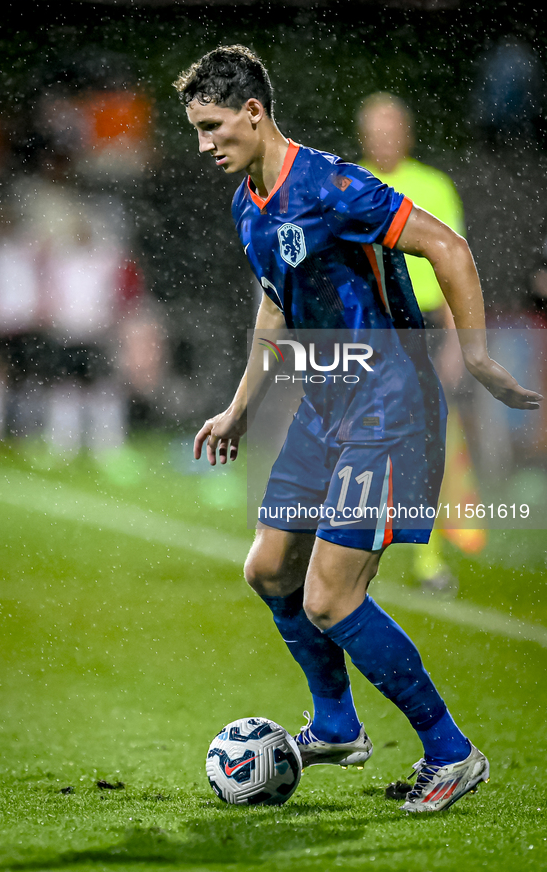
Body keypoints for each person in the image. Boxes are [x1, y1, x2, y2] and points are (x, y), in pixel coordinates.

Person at [173, 46, 540, 813]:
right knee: (268, 569)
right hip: (325, 405)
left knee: (330, 598)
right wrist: (241, 403)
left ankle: (450, 751)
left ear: (252, 112)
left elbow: (447, 245)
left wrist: (472, 354)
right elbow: (275, 307)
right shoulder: (249, 201)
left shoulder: (331, 184)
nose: (203, 144)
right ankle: (336, 723)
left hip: (389, 399)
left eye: (211, 127)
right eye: (194, 131)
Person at [357, 92, 485, 592]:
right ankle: (348, 545)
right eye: (375, 129)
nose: (384, 138)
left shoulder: (434, 185)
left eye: (392, 128)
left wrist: (458, 339)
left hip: (425, 324)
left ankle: (428, 557)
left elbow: (457, 266)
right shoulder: (347, 181)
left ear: (406, 134)